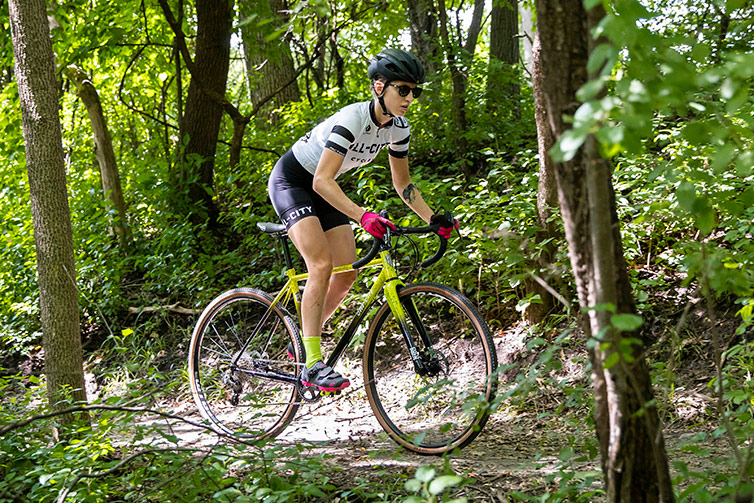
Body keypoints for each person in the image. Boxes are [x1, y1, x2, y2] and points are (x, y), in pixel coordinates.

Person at [267, 48, 458, 393]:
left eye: (416, 91)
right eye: (403, 89)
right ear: (379, 86)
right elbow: (321, 181)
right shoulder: (353, 120)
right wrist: (362, 215)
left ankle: (298, 342)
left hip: (323, 188)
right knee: (322, 265)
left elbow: (403, 185)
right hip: (294, 182)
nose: (410, 98)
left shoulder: (398, 129)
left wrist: (433, 219)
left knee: (347, 274)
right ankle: (312, 362)